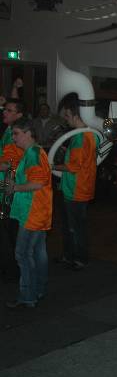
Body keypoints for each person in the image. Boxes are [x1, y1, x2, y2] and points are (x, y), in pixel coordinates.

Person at [2, 118, 52, 308]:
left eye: (16, 134)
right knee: (37, 252)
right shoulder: (35, 152)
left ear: (28, 133)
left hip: (32, 212)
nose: (13, 138)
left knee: (22, 254)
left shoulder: (32, 154)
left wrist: (13, 187)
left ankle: (28, 296)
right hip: (38, 211)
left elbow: (37, 183)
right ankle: (38, 290)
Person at [51, 93, 98, 271]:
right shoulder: (87, 135)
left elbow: (73, 166)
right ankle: (70, 255)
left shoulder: (81, 137)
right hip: (76, 187)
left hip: (76, 189)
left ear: (74, 114)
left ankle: (79, 258)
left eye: (67, 115)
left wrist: (51, 166)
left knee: (75, 227)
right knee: (72, 225)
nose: (65, 119)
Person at [0, 98, 26, 282]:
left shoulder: (14, 135)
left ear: (19, 115)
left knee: (9, 230)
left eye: (9, 110)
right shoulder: (8, 131)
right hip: (6, 187)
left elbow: (9, 164)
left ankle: (14, 269)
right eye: (5, 109)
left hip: (9, 188)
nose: (4, 112)